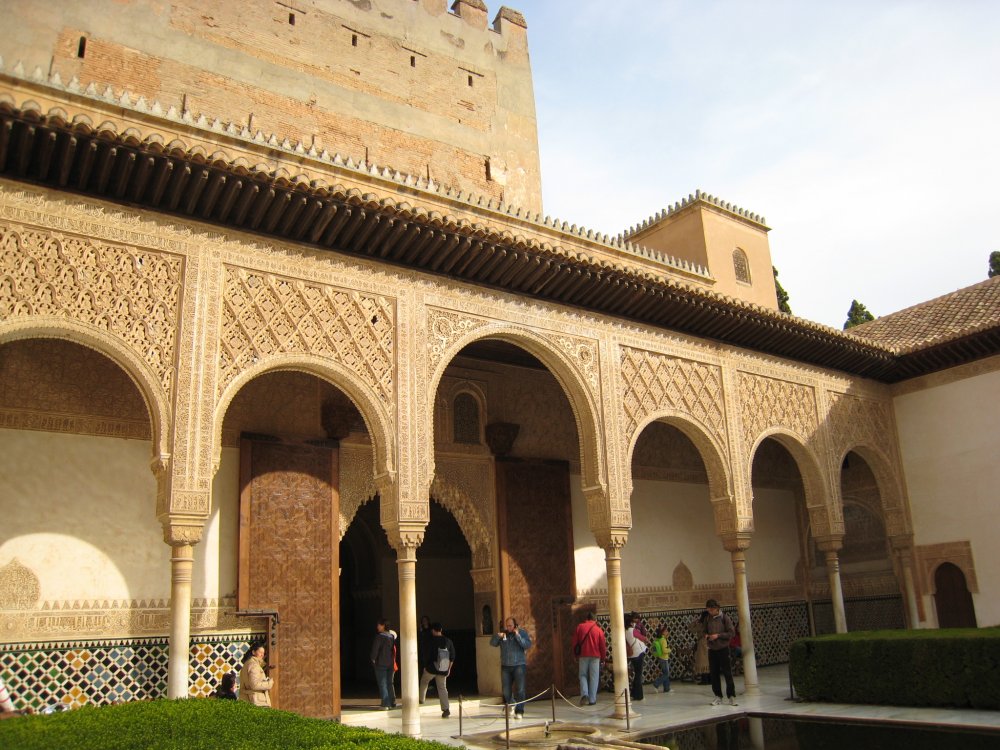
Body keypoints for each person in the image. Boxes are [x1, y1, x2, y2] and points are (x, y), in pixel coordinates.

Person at [489, 616, 532, 719]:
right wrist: (497, 637)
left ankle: (520, 711)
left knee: (520, 689)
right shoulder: (503, 634)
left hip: (519, 666)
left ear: (515, 625)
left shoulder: (521, 633)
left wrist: (518, 636)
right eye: (507, 625)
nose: (508, 628)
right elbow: (492, 643)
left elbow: (527, 645)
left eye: (510, 625)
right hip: (506, 667)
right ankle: (511, 703)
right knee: (506, 690)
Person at [703, 599, 737, 706]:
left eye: (711, 609)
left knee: (727, 673)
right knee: (714, 674)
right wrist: (707, 636)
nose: (710, 611)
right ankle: (718, 696)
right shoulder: (707, 618)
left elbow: (731, 632)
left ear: (717, 608)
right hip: (712, 649)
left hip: (723, 649)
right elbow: (704, 631)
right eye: (708, 609)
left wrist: (718, 635)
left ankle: (731, 696)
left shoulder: (724, 618)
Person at [419, 622, 457, 718]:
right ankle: (446, 709)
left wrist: (425, 666)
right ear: (441, 630)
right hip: (443, 668)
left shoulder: (430, 641)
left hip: (431, 668)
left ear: (433, 630)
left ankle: (421, 699)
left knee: (424, 681)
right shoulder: (448, 641)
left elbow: (426, 655)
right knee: (442, 688)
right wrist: (449, 669)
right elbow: (452, 656)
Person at [571, 611, 606, 706]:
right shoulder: (598, 630)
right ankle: (592, 700)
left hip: (583, 655)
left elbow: (575, 643)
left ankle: (585, 694)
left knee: (582, 675)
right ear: (595, 619)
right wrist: (603, 658)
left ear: (587, 618)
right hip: (595, 657)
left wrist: (575, 655)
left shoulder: (580, 627)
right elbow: (602, 646)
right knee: (594, 677)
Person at [370, 619, 397, 709]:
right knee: (389, 683)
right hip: (390, 662)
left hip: (381, 662)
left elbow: (375, 649)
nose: (377, 627)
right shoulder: (391, 636)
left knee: (382, 683)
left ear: (383, 626)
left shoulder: (379, 636)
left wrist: (373, 659)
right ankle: (392, 701)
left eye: (379, 625)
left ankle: (386, 703)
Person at [238, 642, 274, 707]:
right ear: (253, 652)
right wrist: (269, 683)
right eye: (260, 652)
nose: (262, 655)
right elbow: (254, 685)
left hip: (248, 700)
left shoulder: (247, 664)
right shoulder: (254, 665)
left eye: (263, 653)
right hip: (257, 702)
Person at [624, 613, 649, 702]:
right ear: (630, 622)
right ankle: (639, 696)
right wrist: (646, 639)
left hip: (632, 654)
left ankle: (634, 693)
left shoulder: (625, 631)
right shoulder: (632, 630)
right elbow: (642, 637)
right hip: (638, 652)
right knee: (638, 675)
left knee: (636, 674)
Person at [688, 611, 711, 684]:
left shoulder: (700, 624)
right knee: (709, 662)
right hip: (711, 642)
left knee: (703, 662)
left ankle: (705, 680)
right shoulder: (711, 623)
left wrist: (695, 621)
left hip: (702, 643)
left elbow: (691, 629)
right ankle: (710, 680)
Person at [650, 623, 672, 693]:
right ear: (663, 632)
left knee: (665, 673)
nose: (667, 632)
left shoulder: (658, 639)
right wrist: (670, 650)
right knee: (666, 674)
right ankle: (656, 684)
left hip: (660, 657)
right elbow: (664, 650)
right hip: (664, 658)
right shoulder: (663, 640)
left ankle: (666, 688)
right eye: (666, 631)